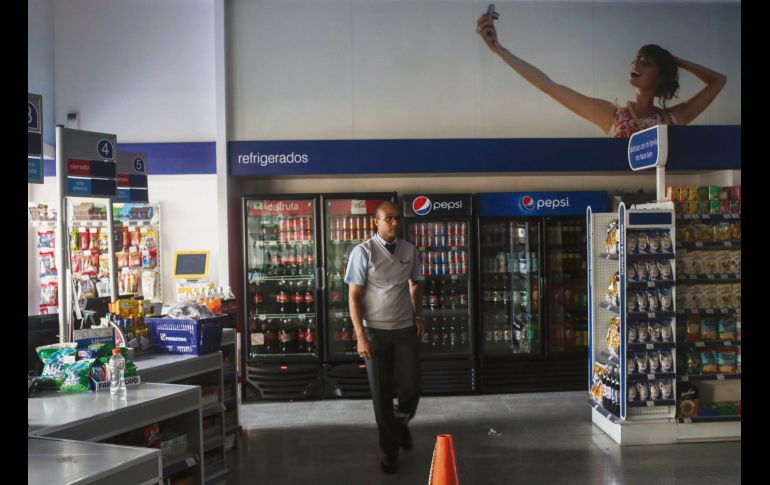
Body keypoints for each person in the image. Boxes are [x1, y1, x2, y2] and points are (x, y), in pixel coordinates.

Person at [476, 11, 727, 138]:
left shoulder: (672, 118)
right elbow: (549, 85)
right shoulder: (612, 115)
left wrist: (674, 60)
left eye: (647, 62)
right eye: (637, 59)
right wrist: (499, 50)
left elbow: (718, 81)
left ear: (660, 77)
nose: (637, 64)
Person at [344, 200, 424, 474]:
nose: (394, 222)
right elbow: (354, 296)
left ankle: (400, 422)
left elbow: (416, 285)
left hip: (404, 329)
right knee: (381, 393)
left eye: (397, 218)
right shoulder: (363, 252)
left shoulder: (410, 250)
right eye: (388, 218)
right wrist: (360, 335)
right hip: (375, 332)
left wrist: (419, 315)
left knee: (412, 387)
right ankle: (390, 452)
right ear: (375, 222)